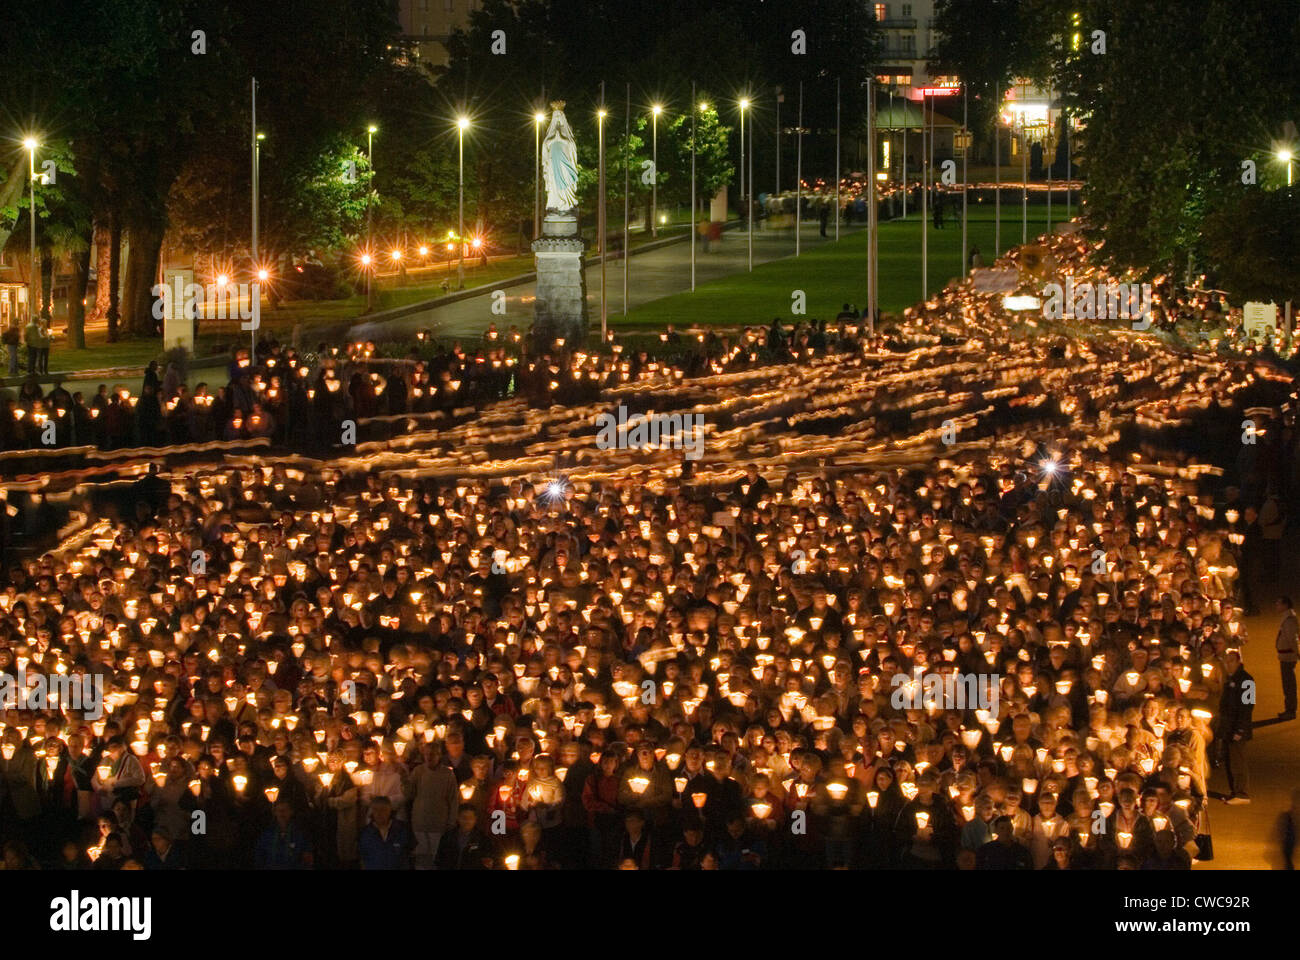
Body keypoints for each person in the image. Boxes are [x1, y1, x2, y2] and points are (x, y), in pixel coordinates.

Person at [1218, 650, 1254, 804]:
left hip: (1238, 728)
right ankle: (1235, 791)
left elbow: (1248, 706)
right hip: (1228, 727)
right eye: (1227, 661)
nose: (1229, 664)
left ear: (1239, 661)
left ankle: (1242, 793)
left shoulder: (1247, 680)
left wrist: (1240, 729)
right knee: (1230, 760)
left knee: (1238, 761)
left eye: (1232, 661)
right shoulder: (1230, 679)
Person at [358, 796, 413, 869]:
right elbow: (362, 858)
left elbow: (410, 854)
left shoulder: (402, 829)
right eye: (375, 810)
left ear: (390, 810)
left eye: (383, 810)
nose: (379, 813)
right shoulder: (365, 833)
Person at [1276, 596, 1298, 720]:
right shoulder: (1287, 618)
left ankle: (1290, 710)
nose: (1277, 606)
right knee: (1288, 684)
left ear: (1285, 605)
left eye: (1278, 604)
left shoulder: (1289, 620)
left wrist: (1296, 654)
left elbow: (1292, 639)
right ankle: (1289, 709)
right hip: (1286, 655)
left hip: (1288, 656)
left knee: (1289, 685)